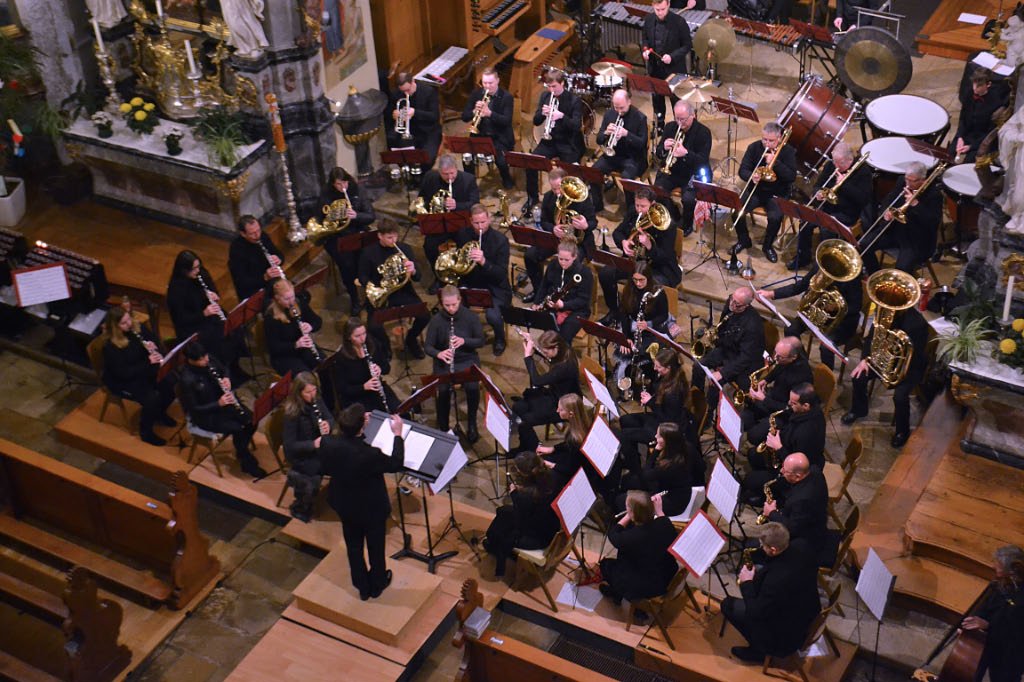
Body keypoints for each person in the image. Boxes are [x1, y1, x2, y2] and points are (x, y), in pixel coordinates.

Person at [320, 405, 406, 600]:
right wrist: (397, 435)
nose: (367, 416)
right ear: (361, 428)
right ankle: (377, 583)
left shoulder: (327, 443)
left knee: (354, 547)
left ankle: (362, 586)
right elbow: (395, 463)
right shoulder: (369, 454)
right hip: (371, 508)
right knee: (376, 547)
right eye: (364, 417)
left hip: (345, 504)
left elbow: (325, 466)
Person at [722, 522, 821, 664]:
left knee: (728, 605)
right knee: (758, 570)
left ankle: (759, 650)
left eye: (763, 546)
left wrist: (746, 582)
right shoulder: (802, 545)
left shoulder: (776, 580)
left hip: (786, 633)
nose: (761, 547)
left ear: (773, 549)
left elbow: (756, 612)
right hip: (808, 609)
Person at [842, 302, 928, 448]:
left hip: (908, 368)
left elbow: (916, 356)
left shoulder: (918, 324)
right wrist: (864, 360)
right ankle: (859, 409)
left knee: (900, 397)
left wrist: (894, 367)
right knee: (858, 375)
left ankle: (902, 431)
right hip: (884, 359)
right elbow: (870, 338)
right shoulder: (884, 314)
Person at [178, 341, 266, 477]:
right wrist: (218, 404)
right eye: (201, 359)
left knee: (252, 420)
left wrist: (226, 377)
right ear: (191, 360)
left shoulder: (208, 360)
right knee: (238, 428)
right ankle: (246, 460)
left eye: (205, 356)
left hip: (223, 403)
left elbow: (224, 368)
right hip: (206, 415)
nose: (206, 360)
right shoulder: (187, 379)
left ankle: (242, 451)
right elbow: (194, 409)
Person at [757, 262, 864, 371]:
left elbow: (856, 306)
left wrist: (836, 306)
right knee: (791, 329)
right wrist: (771, 294)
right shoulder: (821, 266)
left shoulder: (851, 278)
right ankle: (802, 365)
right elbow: (800, 286)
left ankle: (826, 374)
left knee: (826, 348)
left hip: (841, 322)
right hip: (816, 312)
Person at [598, 189, 679, 321]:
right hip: (634, 263)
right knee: (606, 273)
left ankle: (644, 320)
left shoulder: (668, 225)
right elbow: (618, 232)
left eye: (643, 206)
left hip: (657, 268)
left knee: (651, 286)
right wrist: (624, 242)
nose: (639, 210)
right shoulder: (633, 213)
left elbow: (666, 256)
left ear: (653, 204)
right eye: (637, 205)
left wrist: (649, 246)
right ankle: (615, 311)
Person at [166, 250, 245, 383]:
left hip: (208, 315)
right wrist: (203, 313)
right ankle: (223, 373)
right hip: (192, 325)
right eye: (193, 269)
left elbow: (212, 288)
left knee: (233, 327)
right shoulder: (175, 290)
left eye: (198, 267)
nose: (197, 271)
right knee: (217, 338)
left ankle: (235, 367)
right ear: (184, 270)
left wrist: (213, 294)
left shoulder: (201, 274)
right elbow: (181, 319)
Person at [100, 307, 176, 446]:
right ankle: (146, 432)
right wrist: (148, 362)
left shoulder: (137, 328)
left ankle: (159, 413)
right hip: (123, 381)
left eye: (128, 319)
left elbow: (153, 339)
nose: (129, 324)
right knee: (152, 398)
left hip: (142, 370)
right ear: (115, 327)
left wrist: (152, 345)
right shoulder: (111, 346)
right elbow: (123, 373)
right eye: (124, 323)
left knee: (170, 383)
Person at [790, 142, 872, 270]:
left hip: (847, 212)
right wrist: (817, 193)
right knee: (805, 222)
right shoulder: (831, 165)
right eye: (834, 161)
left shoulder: (863, 171)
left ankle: (823, 265)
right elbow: (818, 184)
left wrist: (844, 184)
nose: (835, 165)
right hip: (827, 207)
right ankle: (803, 257)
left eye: (839, 163)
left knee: (826, 230)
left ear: (849, 160)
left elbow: (863, 199)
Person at [358, 220, 430, 359]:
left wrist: (413, 270)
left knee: (425, 316)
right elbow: (362, 276)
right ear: (380, 236)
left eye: (395, 236)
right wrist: (375, 288)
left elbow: (417, 278)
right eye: (389, 237)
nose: (394, 240)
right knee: (373, 327)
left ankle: (411, 339)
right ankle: (385, 346)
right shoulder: (368, 252)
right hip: (381, 294)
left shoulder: (404, 249)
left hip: (403, 292)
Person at [599, 490, 679, 616]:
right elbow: (662, 518)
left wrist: (627, 516)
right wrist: (659, 510)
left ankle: (621, 595)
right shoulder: (665, 524)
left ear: (632, 512)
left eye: (627, 507)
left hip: (649, 586)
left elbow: (613, 534)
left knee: (605, 565)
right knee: (632, 559)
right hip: (668, 574)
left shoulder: (629, 538)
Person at [742, 384, 826, 502]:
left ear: (806, 406)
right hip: (786, 454)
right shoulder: (808, 411)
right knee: (753, 454)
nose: (789, 404)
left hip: (794, 475)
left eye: (793, 403)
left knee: (750, 480)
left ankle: (776, 496)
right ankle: (764, 482)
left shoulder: (806, 433)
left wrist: (778, 446)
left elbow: (799, 465)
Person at [483, 451, 562, 577]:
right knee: (503, 512)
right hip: (551, 525)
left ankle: (498, 549)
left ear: (524, 473)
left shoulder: (526, 496)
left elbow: (521, 518)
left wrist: (514, 493)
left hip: (537, 538)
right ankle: (494, 541)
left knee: (503, 522)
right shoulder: (552, 476)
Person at [523, 168, 597, 302]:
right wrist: (553, 228)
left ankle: (565, 299)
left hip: (578, 243)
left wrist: (585, 225)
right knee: (530, 255)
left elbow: (594, 222)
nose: (557, 192)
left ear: (566, 184)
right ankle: (539, 291)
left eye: (559, 188)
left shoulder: (581, 199)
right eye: (553, 189)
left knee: (568, 263)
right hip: (557, 240)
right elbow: (544, 221)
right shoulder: (548, 197)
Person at [424, 286, 485, 443]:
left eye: (454, 304)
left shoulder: (470, 317)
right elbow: (428, 347)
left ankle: (472, 423)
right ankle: (443, 426)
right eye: (447, 305)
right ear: (441, 302)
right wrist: (439, 353)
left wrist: (464, 341)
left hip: (467, 358)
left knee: (472, 387)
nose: (451, 308)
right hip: (444, 361)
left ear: (460, 300)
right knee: (443, 390)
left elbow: (481, 341)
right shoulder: (436, 320)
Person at [731, 122, 797, 263]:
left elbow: (791, 177)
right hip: (756, 190)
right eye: (764, 139)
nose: (767, 144)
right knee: (736, 210)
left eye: (771, 141)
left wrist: (776, 163)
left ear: (779, 138)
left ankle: (767, 246)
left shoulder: (788, 152)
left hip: (777, 193)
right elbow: (743, 170)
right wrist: (751, 176)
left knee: (775, 217)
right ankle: (744, 240)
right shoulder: (754, 147)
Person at [619, 348, 693, 473]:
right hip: (659, 417)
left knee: (624, 435)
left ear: (668, 368)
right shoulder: (668, 377)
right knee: (624, 420)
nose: (654, 368)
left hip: (665, 429)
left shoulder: (674, 392)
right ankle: (633, 458)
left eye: (658, 367)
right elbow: (660, 399)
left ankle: (636, 470)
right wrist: (650, 397)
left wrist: (650, 402)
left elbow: (668, 419)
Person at [860, 161, 942, 274]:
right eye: (906, 179)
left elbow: (933, 222)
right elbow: (888, 199)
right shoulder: (902, 181)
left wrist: (916, 205)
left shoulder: (934, 194)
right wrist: (886, 211)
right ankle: (874, 274)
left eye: (912, 181)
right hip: (895, 229)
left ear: (922, 180)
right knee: (864, 245)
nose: (907, 183)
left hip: (916, 238)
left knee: (902, 269)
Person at [316, 167, 376, 315]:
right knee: (347, 265)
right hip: (337, 236)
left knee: (368, 258)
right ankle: (354, 298)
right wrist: (332, 218)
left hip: (357, 231)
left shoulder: (357, 190)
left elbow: (371, 216)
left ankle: (370, 293)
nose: (342, 187)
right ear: (332, 184)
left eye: (344, 183)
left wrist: (356, 216)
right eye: (338, 184)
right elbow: (320, 219)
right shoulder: (326, 194)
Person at [693, 288, 765, 409]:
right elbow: (723, 328)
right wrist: (716, 339)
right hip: (727, 349)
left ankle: (709, 412)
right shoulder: (731, 303)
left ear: (746, 305)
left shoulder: (753, 326)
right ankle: (696, 399)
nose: (732, 305)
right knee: (698, 366)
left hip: (741, 361)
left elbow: (745, 358)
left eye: (737, 304)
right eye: (732, 299)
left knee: (715, 382)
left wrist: (722, 373)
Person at [454, 205, 512, 355]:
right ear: (470, 221)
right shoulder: (463, 234)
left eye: (483, 222)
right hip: (470, 282)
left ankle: (499, 339)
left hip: (495, 288)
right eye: (476, 223)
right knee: (454, 307)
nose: (480, 226)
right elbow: (459, 259)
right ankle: (464, 338)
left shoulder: (500, 241)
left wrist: (484, 262)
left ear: (489, 219)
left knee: (493, 315)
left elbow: (501, 274)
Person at [418, 154, 481, 291]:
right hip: (439, 223)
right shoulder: (430, 178)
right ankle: (439, 276)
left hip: (461, 224)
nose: (449, 177)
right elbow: (423, 198)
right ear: (439, 171)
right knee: (429, 246)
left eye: (452, 173)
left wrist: (457, 205)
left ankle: (464, 277)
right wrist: (428, 208)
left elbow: (475, 203)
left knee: (466, 246)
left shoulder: (468, 179)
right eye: (445, 174)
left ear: (456, 169)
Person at [961, 545, 1024, 682]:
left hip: (1009, 654)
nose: (993, 566)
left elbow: (1016, 627)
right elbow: (983, 610)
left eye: (998, 563)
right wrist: (968, 624)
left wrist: (988, 625)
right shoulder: (997, 585)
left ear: (1012, 568)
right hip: (985, 644)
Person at [523, 71, 584, 211]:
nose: (551, 90)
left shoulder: (574, 100)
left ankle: (570, 200)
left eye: (554, 86)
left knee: (570, 170)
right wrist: (542, 114)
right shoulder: (545, 96)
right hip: (549, 140)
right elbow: (536, 121)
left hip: (568, 142)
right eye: (549, 86)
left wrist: (561, 116)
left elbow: (576, 126)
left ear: (562, 83)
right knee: (531, 163)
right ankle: (532, 198)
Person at [513, 330, 581, 452]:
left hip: (564, 405)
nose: (545, 355)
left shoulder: (564, 366)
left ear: (556, 347)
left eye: (546, 352)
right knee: (518, 406)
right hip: (555, 394)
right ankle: (529, 445)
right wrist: (531, 343)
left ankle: (533, 449)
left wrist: (528, 356)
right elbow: (546, 356)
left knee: (526, 420)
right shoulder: (564, 350)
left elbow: (537, 381)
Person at [619, 422, 705, 517]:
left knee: (621, 500)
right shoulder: (687, 446)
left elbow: (646, 475)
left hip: (672, 503)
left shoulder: (669, 465)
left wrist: (656, 451)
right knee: (629, 480)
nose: (655, 436)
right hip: (679, 490)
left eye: (659, 436)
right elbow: (702, 466)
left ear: (667, 441)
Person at [653, 100, 713, 235]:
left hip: (693, 173)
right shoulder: (670, 127)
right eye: (677, 118)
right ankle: (675, 214)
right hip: (673, 171)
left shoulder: (704, 133)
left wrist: (685, 153)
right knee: (658, 191)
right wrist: (663, 148)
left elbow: (703, 161)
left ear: (693, 116)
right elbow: (658, 153)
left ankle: (686, 225)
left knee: (688, 199)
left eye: (683, 119)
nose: (680, 123)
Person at [281, 372, 335, 522]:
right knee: (331, 464)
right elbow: (289, 446)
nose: (312, 395)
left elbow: (330, 417)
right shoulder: (292, 413)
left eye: (314, 390)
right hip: (301, 457)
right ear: (299, 393)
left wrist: (328, 425)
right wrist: (313, 444)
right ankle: (302, 507)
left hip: (318, 448)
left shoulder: (316, 399)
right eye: (308, 392)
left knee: (343, 457)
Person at [740, 336, 813, 442]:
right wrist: (766, 380)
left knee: (753, 436)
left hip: (784, 415)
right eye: (775, 353)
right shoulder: (785, 359)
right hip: (774, 399)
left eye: (780, 357)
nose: (775, 358)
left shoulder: (802, 377)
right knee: (743, 418)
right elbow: (779, 368)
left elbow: (791, 410)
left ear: (793, 357)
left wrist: (764, 399)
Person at [591, 89, 649, 213]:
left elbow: (642, 144)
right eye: (616, 107)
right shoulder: (609, 114)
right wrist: (606, 132)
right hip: (612, 155)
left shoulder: (640, 118)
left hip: (632, 157)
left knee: (627, 178)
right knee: (593, 172)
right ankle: (597, 205)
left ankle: (631, 210)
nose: (618, 111)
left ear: (629, 102)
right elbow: (599, 140)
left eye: (621, 107)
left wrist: (626, 134)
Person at [760, 453, 828, 551]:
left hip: (807, 536)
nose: (781, 471)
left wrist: (772, 513)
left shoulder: (802, 500)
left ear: (797, 476)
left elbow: (793, 529)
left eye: (785, 471)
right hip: (807, 514)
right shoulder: (815, 470)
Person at [461, 67, 516, 188]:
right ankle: (470, 184)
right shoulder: (476, 94)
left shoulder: (507, 97)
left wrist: (489, 113)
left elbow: (506, 121)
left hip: (499, 136)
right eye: (484, 83)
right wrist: (474, 111)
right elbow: (464, 117)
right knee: (466, 157)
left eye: (490, 83)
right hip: (479, 134)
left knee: (501, 161)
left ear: (497, 81)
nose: (487, 86)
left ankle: (506, 179)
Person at [642, 0, 692, 125]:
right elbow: (645, 39)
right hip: (655, 70)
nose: (660, 13)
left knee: (677, 103)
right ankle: (660, 127)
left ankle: (679, 128)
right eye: (657, 10)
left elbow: (687, 45)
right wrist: (645, 50)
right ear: (653, 6)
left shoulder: (679, 22)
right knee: (657, 102)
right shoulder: (648, 20)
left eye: (663, 9)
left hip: (674, 71)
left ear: (668, 4)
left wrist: (672, 57)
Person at [533, 240, 594, 341]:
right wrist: (537, 302)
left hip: (577, 310)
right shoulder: (553, 265)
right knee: (548, 330)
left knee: (564, 335)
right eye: (560, 259)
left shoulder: (584, 273)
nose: (563, 263)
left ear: (574, 257)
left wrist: (563, 305)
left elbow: (583, 300)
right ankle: (550, 348)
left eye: (567, 260)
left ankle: (563, 350)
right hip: (554, 305)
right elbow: (544, 285)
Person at [334, 317, 398, 413]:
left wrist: (380, 368)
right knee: (375, 419)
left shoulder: (373, 344)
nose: (362, 339)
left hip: (376, 389)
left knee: (399, 411)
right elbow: (343, 389)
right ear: (348, 337)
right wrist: (364, 387)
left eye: (364, 333)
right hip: (357, 397)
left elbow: (387, 368)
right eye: (357, 336)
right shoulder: (341, 358)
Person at [263, 278, 324, 379]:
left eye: (292, 296)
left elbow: (317, 321)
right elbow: (273, 347)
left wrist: (310, 326)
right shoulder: (271, 318)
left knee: (324, 365)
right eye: (287, 299)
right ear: (277, 298)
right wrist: (295, 345)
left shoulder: (299, 303)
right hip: (284, 357)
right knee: (306, 378)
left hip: (303, 348)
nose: (291, 301)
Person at [952, 70, 1010, 164]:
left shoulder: (996, 102)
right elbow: (963, 118)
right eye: (974, 84)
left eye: (979, 86)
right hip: (966, 134)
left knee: (968, 163)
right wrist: (960, 137)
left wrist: (971, 146)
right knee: (949, 153)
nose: (975, 88)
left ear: (988, 84)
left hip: (981, 139)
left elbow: (990, 133)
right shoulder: (969, 93)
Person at [388, 71, 441, 171]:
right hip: (410, 131)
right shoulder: (396, 94)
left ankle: (423, 177)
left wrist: (415, 112)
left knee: (426, 160)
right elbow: (390, 114)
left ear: (413, 81)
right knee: (402, 157)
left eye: (408, 90)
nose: (406, 94)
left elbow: (434, 116)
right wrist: (394, 115)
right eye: (403, 91)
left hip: (428, 131)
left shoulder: (428, 91)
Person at [228, 214, 285, 301]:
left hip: (272, 283)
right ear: (243, 234)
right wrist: (265, 277)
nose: (257, 235)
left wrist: (278, 259)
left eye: (258, 230)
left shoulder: (263, 236)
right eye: (252, 233)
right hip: (253, 291)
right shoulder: (236, 250)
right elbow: (242, 281)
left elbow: (279, 254)